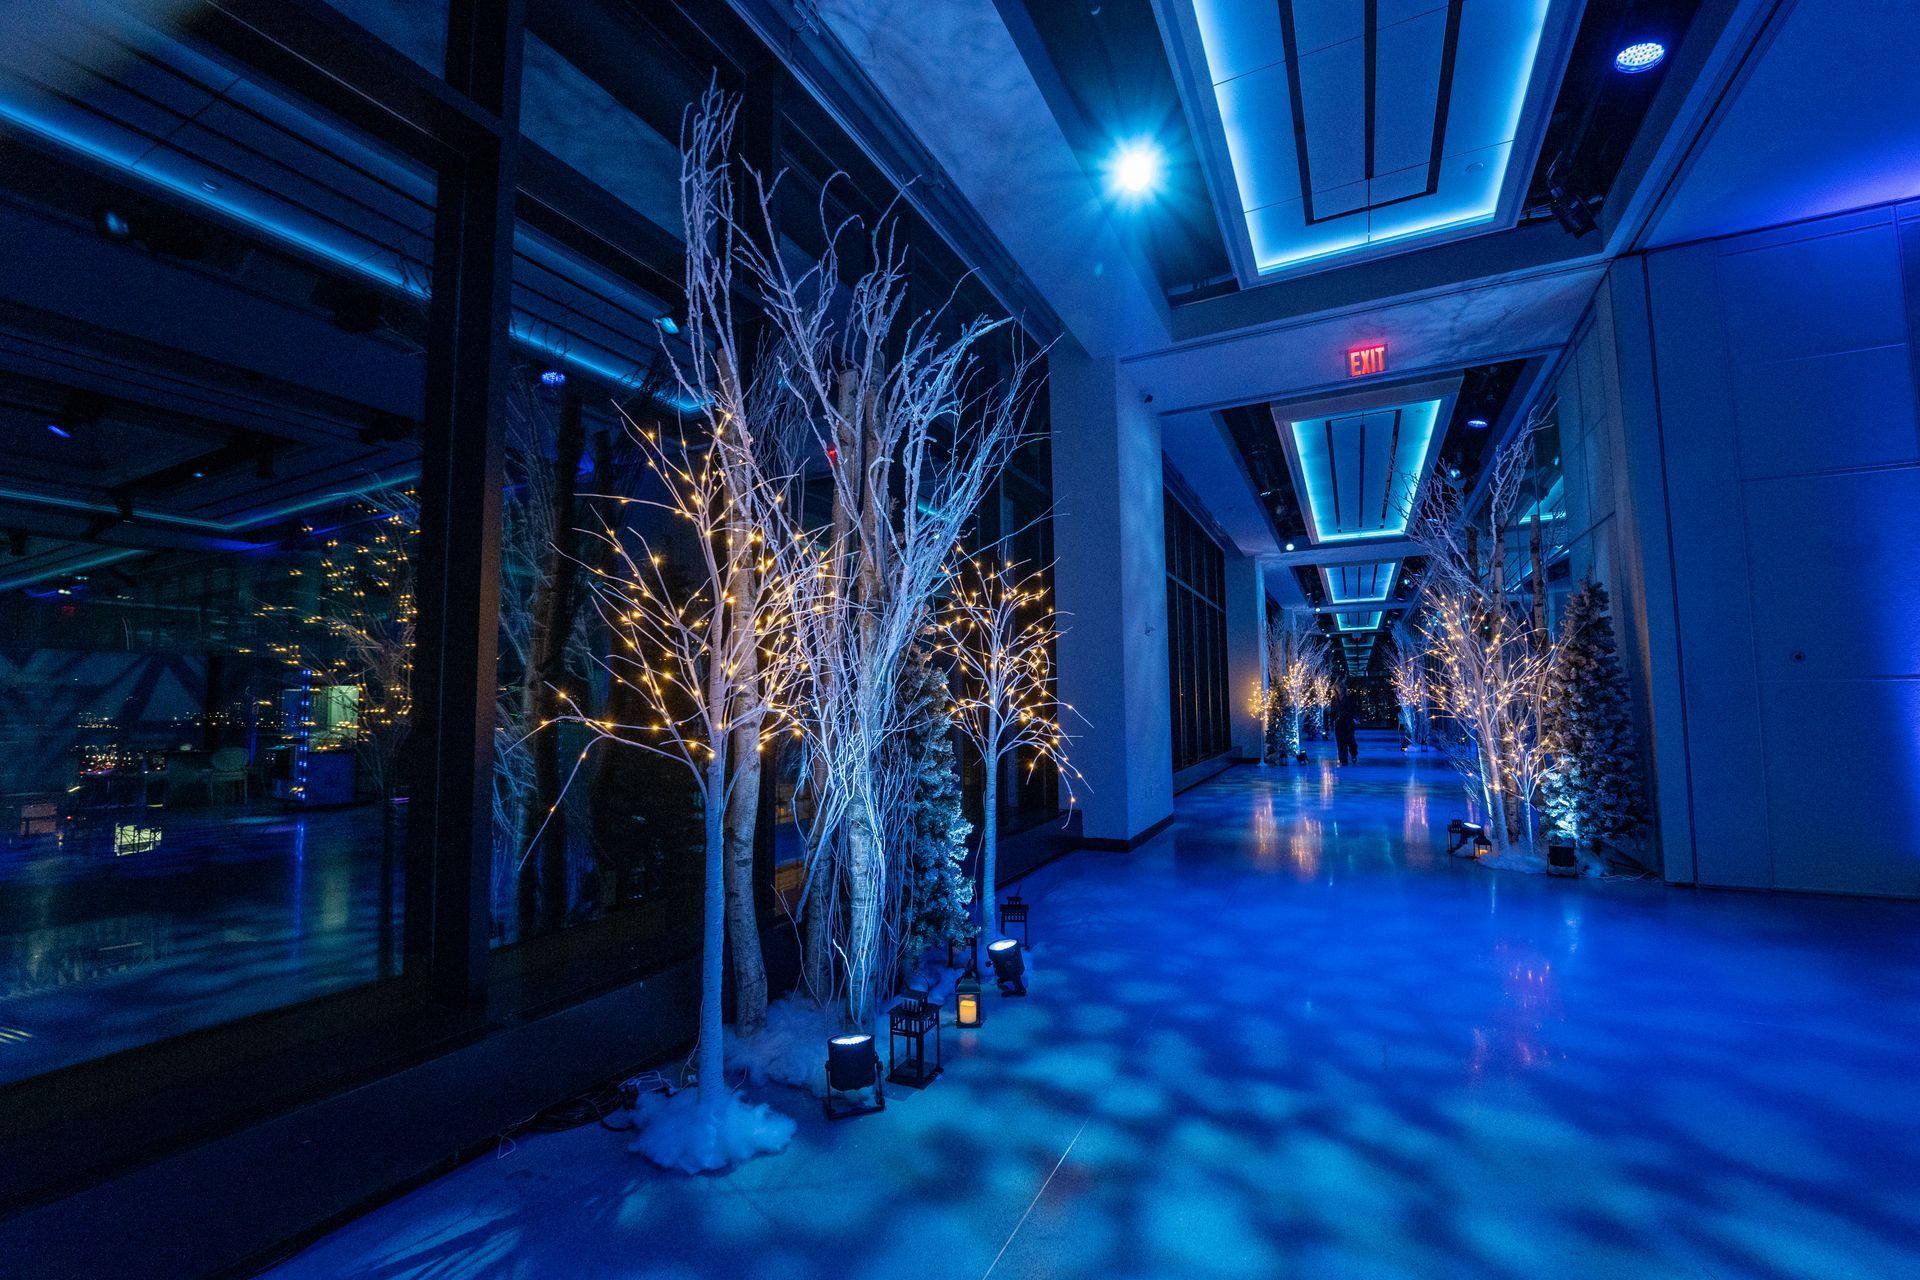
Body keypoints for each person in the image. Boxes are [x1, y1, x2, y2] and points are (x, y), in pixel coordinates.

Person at [1333, 683, 1359, 766]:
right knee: (1340, 741)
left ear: (1344, 689)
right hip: (1339, 723)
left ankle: (1353, 754)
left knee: (1350, 740)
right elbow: (1333, 711)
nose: (1339, 689)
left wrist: (1354, 718)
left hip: (1348, 722)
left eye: (1340, 688)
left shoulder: (1349, 698)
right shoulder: (1334, 699)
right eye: (1337, 688)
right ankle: (1343, 759)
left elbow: (1354, 709)